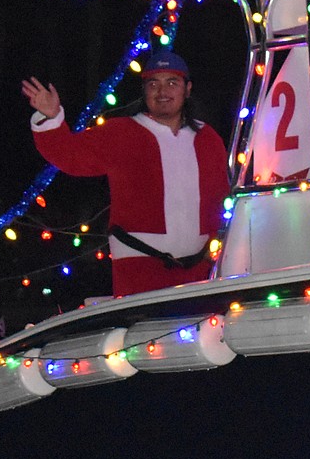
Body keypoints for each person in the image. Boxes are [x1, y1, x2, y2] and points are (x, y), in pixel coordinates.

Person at [21, 49, 230, 296]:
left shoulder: (208, 139)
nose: (162, 92)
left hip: (200, 273)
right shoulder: (120, 133)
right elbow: (69, 155)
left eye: (172, 83)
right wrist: (51, 117)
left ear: (187, 88)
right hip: (139, 272)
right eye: (154, 84)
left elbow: (222, 199)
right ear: (144, 90)